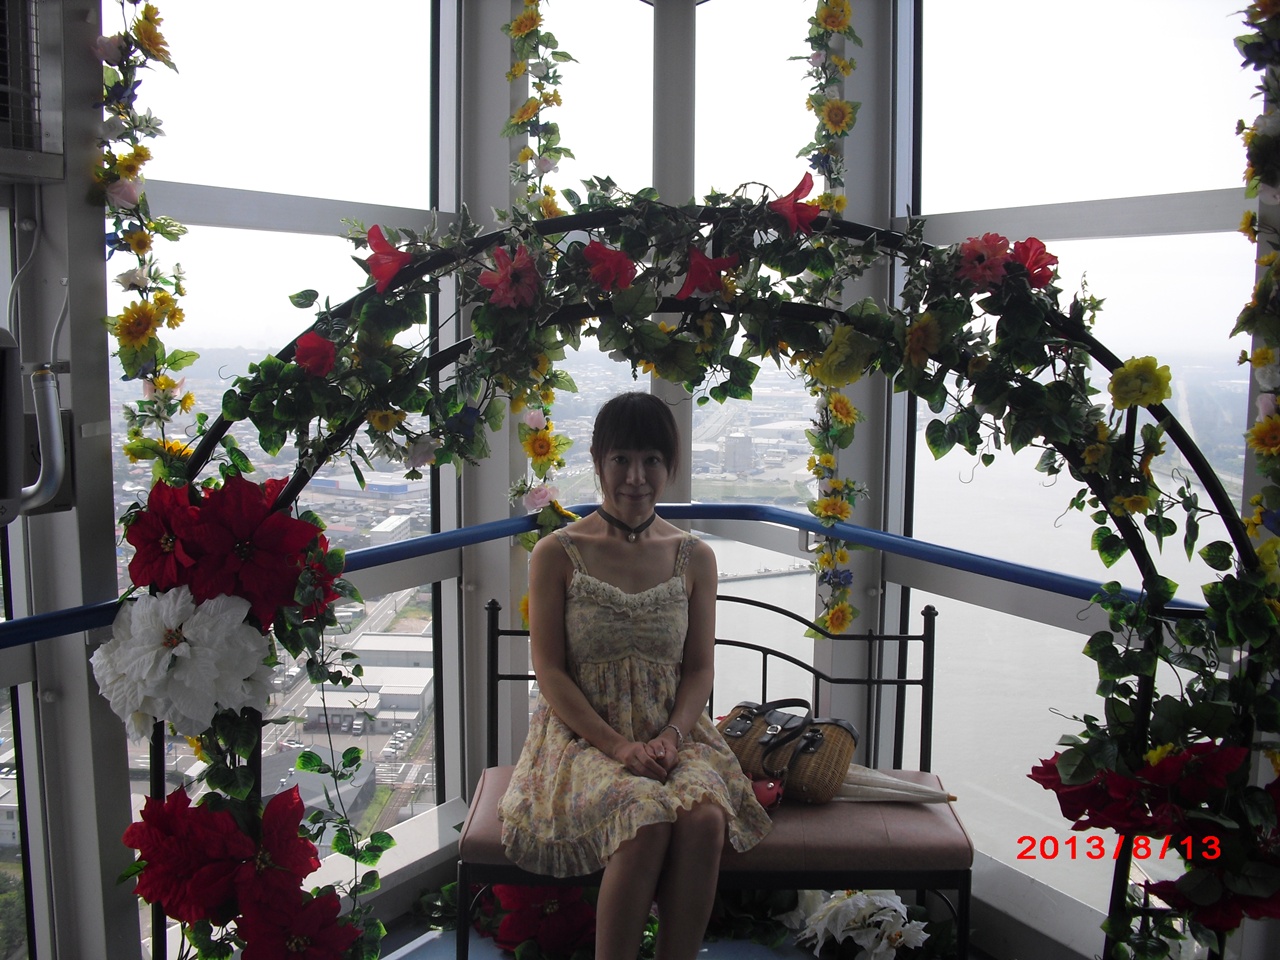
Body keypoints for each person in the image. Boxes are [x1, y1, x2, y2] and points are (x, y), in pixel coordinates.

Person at [498, 391, 772, 960]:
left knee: (703, 820)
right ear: (598, 461)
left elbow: (699, 669)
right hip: (582, 739)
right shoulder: (556, 552)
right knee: (644, 818)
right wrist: (619, 747)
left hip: (674, 735)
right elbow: (550, 671)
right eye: (621, 459)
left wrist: (671, 735)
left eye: (652, 460)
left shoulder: (694, 557)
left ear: (671, 466)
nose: (636, 477)